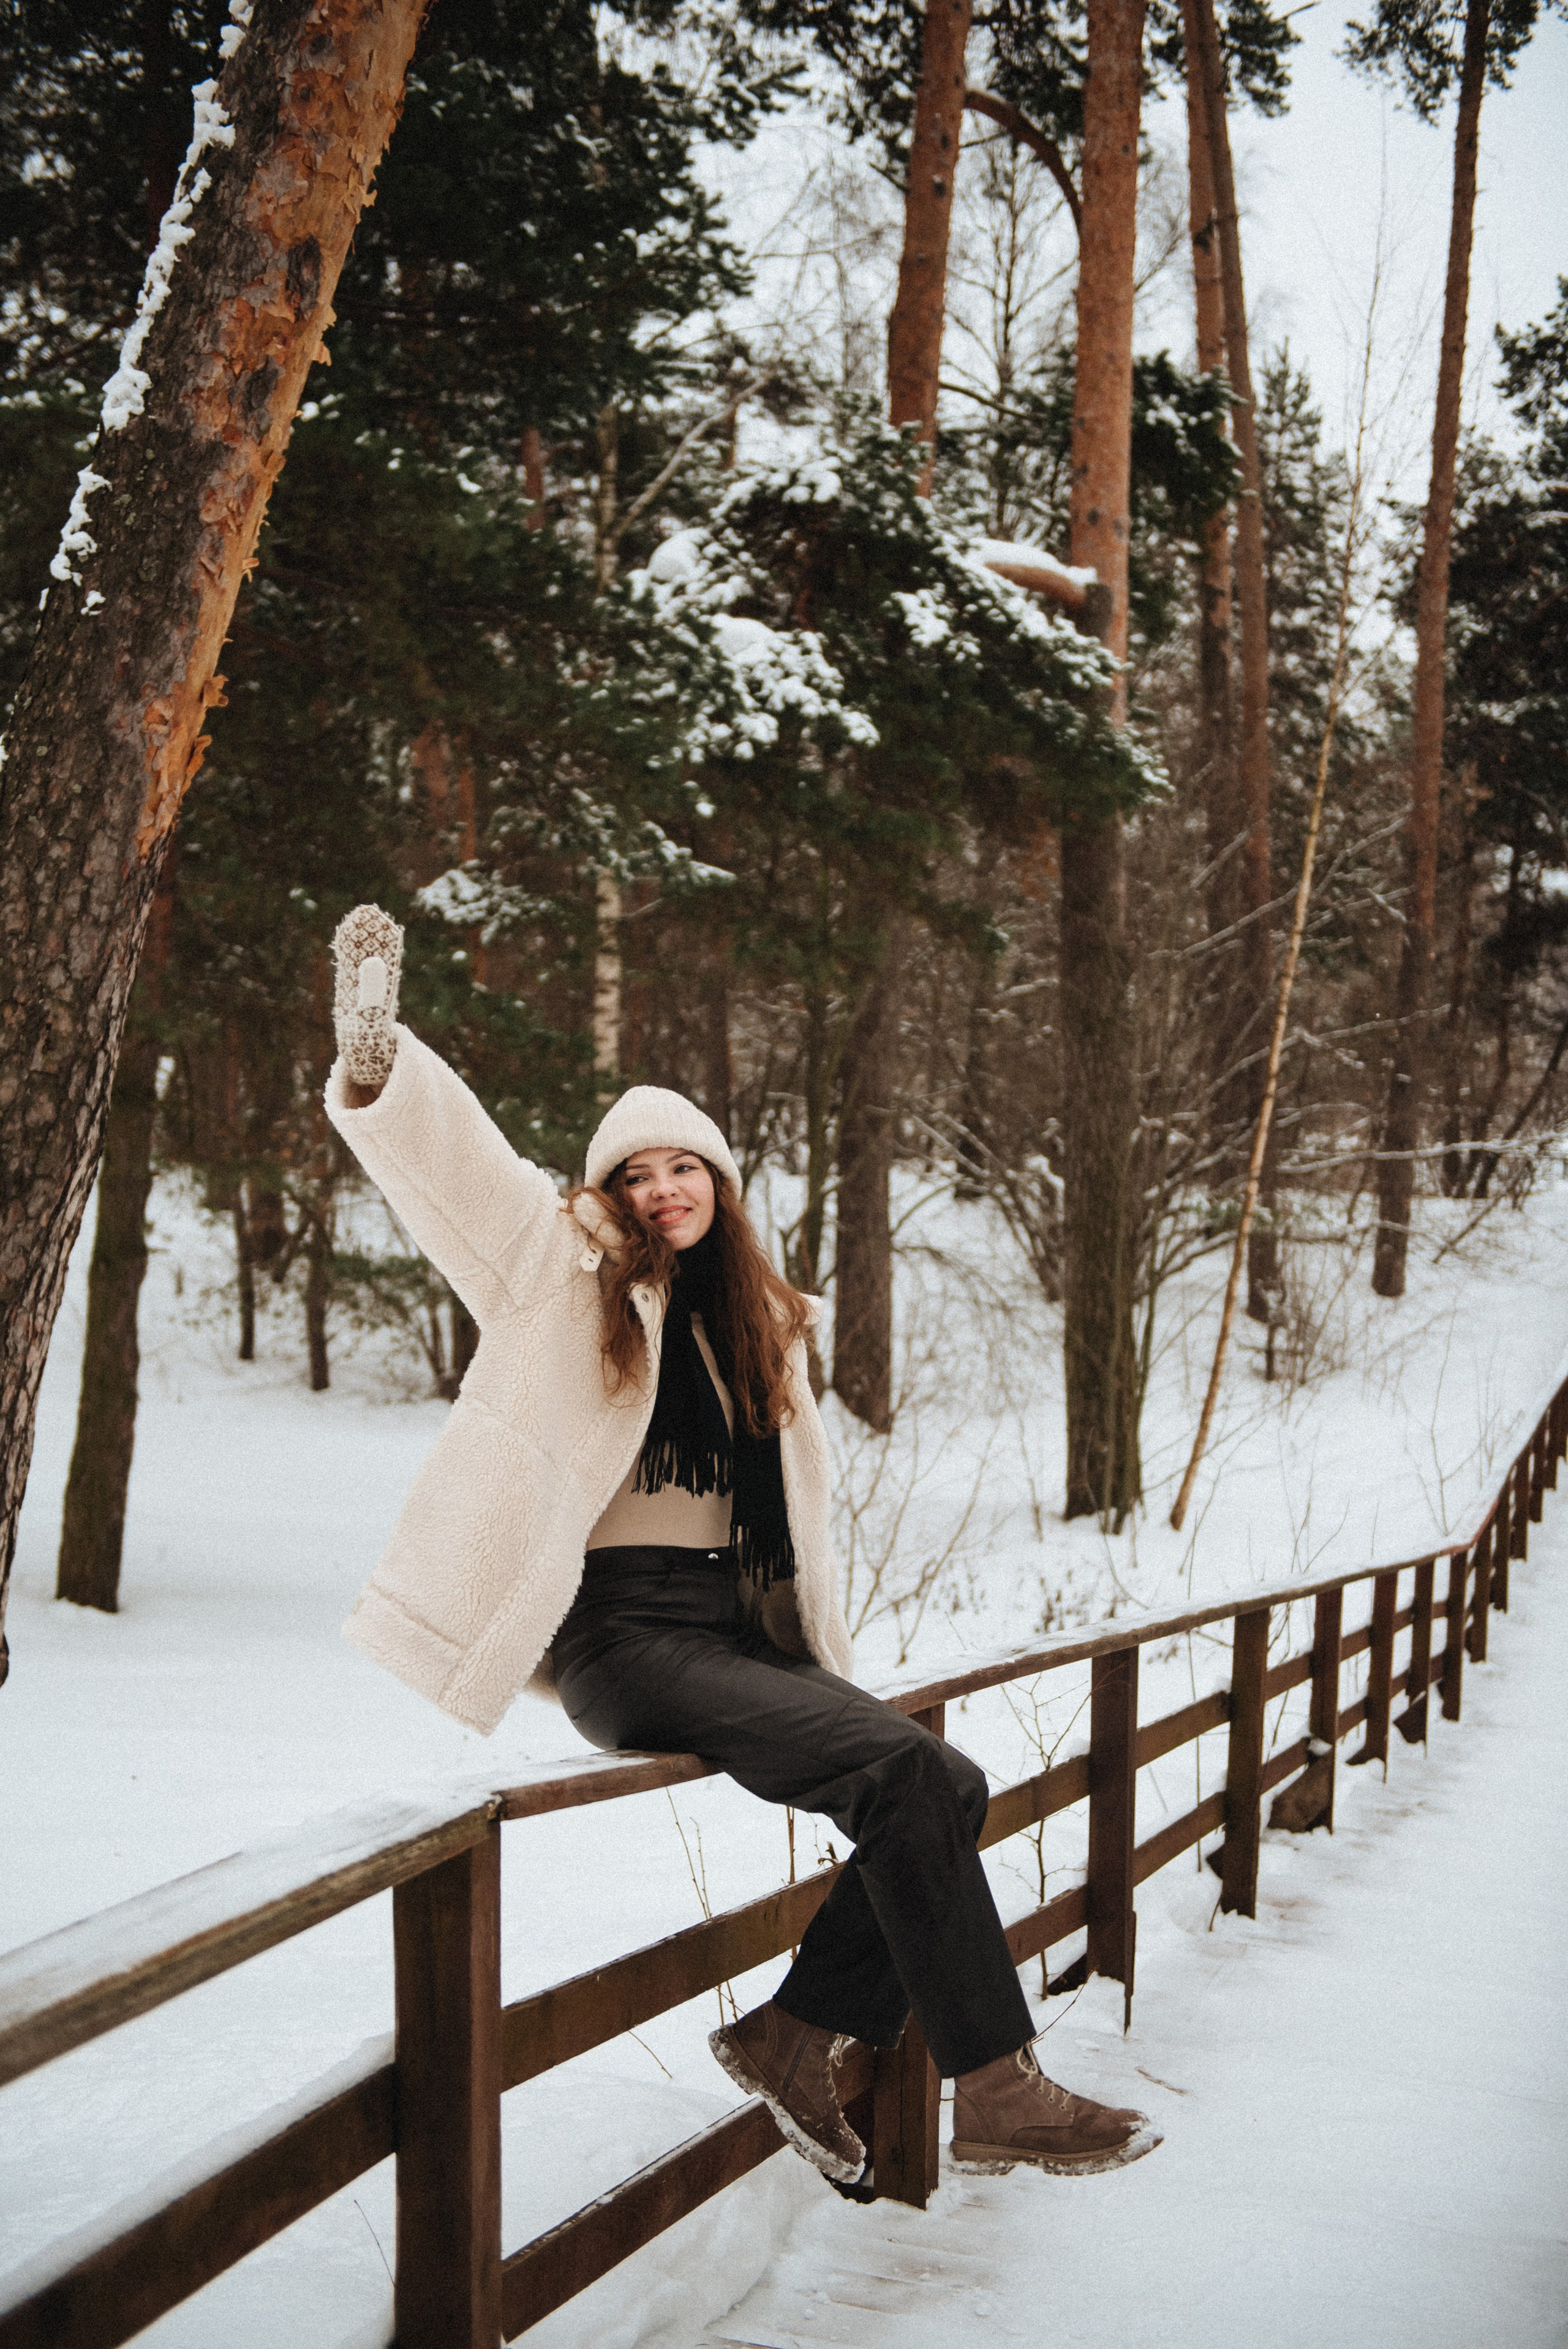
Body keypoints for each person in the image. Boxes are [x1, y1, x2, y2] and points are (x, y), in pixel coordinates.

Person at [325, 903, 1161, 2186]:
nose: (662, 1190)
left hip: (729, 1631)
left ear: (719, 1186)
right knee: (902, 1775)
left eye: (685, 1169)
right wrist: (382, 1064)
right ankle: (993, 2086)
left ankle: (797, 2032)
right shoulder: (560, 1274)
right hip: (622, 1634)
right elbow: (463, 1173)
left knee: (942, 1781)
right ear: (607, 1195)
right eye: (635, 1174)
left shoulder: (757, 1329)